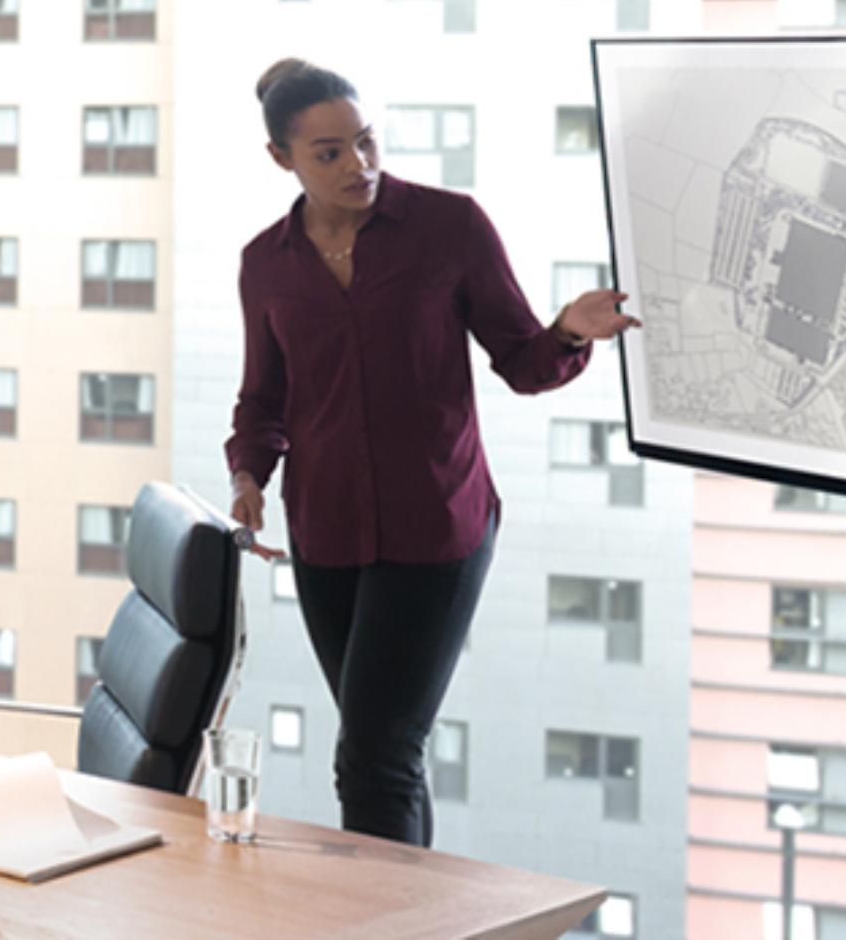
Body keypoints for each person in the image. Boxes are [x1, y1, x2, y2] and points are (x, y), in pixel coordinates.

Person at [226, 59, 639, 848]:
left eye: (367, 142)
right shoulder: (265, 264)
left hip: (437, 529)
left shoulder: (451, 227)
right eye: (329, 153)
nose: (359, 166)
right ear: (283, 159)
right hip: (329, 533)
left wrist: (570, 330)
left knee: (375, 756)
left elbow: (523, 360)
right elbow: (264, 399)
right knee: (384, 751)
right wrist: (250, 475)